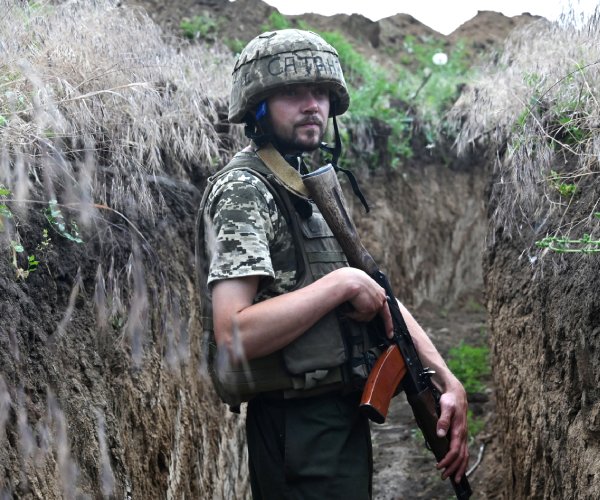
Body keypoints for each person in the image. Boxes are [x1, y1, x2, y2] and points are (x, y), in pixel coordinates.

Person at [197, 29, 469, 499]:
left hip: (334, 418)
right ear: (258, 106)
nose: (312, 105)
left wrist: (446, 378)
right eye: (292, 92)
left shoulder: (308, 183)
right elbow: (233, 333)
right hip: (295, 428)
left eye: (320, 92)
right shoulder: (245, 190)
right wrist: (343, 283)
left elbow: (378, 293)